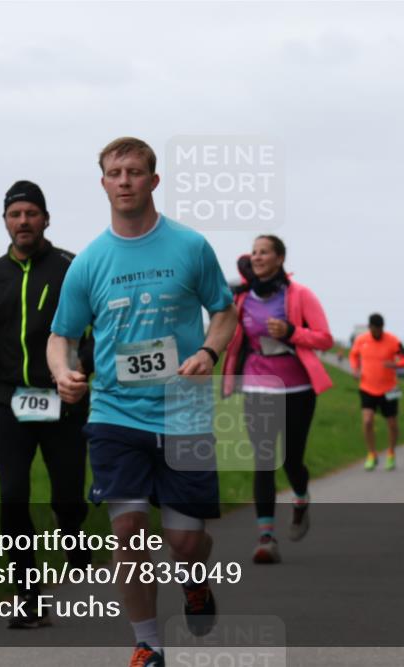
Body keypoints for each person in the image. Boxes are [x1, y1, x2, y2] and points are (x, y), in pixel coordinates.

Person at [47, 137, 237, 667]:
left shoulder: (190, 246)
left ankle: (195, 587)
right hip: (114, 413)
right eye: (114, 172)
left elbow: (224, 312)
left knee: (183, 543)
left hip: (184, 412)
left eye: (135, 171)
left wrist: (207, 350)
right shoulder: (89, 261)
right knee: (129, 535)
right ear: (103, 183)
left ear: (154, 181)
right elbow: (60, 335)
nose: (125, 180)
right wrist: (62, 372)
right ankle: (147, 643)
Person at [0, 180, 92, 629]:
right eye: (15, 215)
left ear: (46, 219)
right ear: (6, 222)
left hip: (64, 400)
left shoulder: (72, 268)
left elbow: (97, 331)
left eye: (31, 213)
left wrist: (80, 370)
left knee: (68, 496)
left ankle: (73, 534)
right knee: (12, 497)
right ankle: (27, 596)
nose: (23, 221)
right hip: (11, 401)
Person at [222, 238, 333, 564]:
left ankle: (300, 499)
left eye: (264, 252)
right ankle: (266, 537)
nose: (257, 256)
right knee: (264, 459)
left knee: (292, 460)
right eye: (253, 252)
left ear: (280, 258)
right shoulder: (242, 297)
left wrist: (290, 331)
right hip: (258, 384)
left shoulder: (299, 294)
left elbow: (324, 338)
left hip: (298, 388)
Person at [348, 313, 404, 472]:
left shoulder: (393, 340)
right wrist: (355, 369)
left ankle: (391, 453)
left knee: (392, 423)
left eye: (379, 330)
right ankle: (371, 454)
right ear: (370, 328)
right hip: (367, 386)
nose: (376, 333)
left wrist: (396, 365)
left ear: (383, 328)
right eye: (374, 329)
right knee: (367, 421)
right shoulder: (361, 340)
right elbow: (353, 355)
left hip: (390, 388)